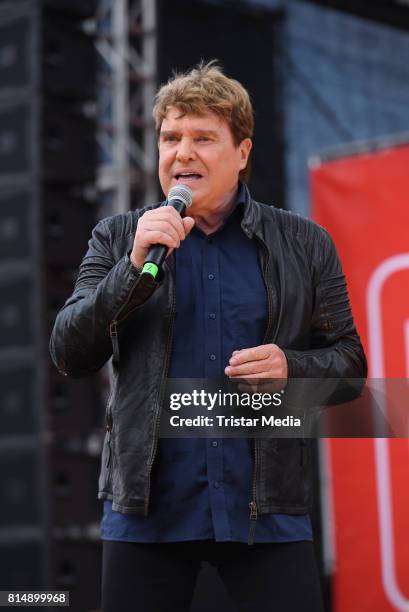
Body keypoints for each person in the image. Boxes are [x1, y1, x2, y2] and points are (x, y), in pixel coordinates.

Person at [50, 61, 367, 612]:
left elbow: (350, 366)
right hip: (145, 513)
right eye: (171, 138)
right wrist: (131, 268)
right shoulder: (120, 236)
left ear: (242, 154)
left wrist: (292, 369)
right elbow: (69, 353)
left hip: (265, 512)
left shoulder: (307, 244)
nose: (183, 153)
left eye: (203, 138)